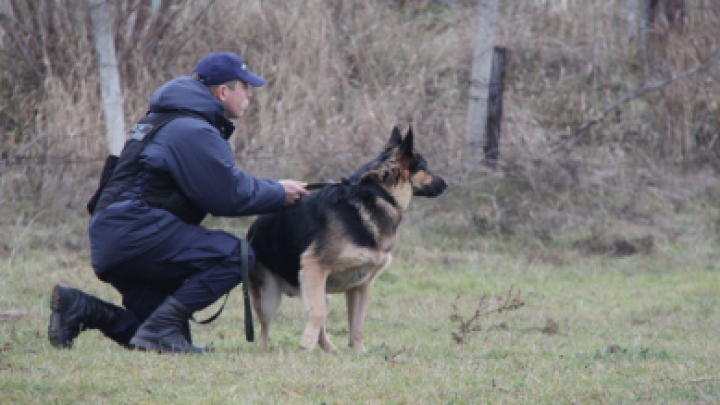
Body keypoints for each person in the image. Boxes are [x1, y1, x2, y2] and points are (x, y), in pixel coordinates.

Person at [47, 51, 308, 354]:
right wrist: (279, 192)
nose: (250, 95)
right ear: (224, 92)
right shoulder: (192, 130)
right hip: (137, 234)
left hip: (116, 240)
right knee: (237, 255)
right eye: (244, 87)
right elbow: (228, 195)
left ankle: (81, 308)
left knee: (163, 340)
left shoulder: (166, 119)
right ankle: (160, 327)